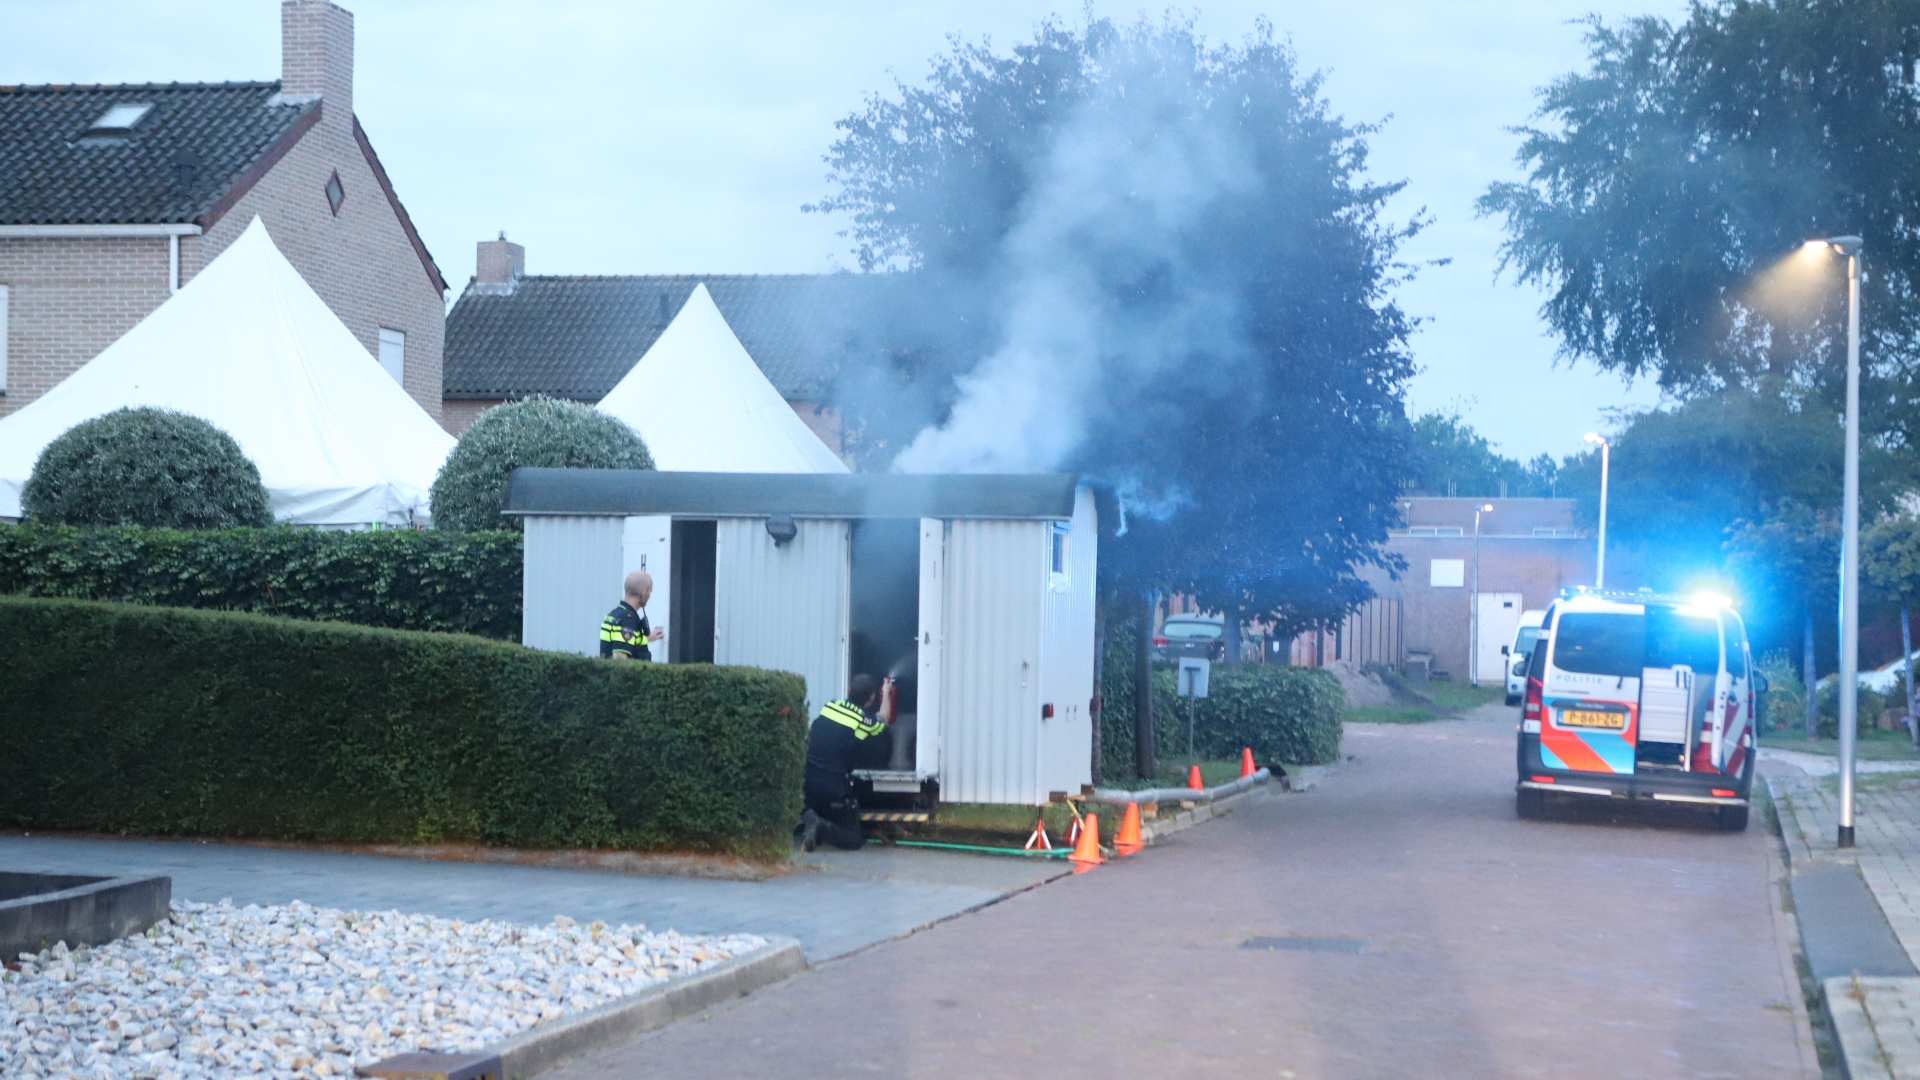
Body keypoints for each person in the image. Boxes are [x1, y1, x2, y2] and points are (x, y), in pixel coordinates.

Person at [799, 674, 893, 852]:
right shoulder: (863, 720)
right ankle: (819, 826)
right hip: (833, 787)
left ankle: (809, 818)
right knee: (853, 840)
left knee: (822, 810)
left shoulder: (830, 706)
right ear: (872, 697)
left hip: (808, 782)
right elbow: (885, 717)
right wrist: (886, 692)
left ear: (849, 691)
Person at [600, 569, 665, 661]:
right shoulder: (627, 620)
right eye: (650, 591)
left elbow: (624, 641)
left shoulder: (614, 615)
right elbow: (620, 659)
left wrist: (647, 638)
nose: (650, 595)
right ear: (644, 593)